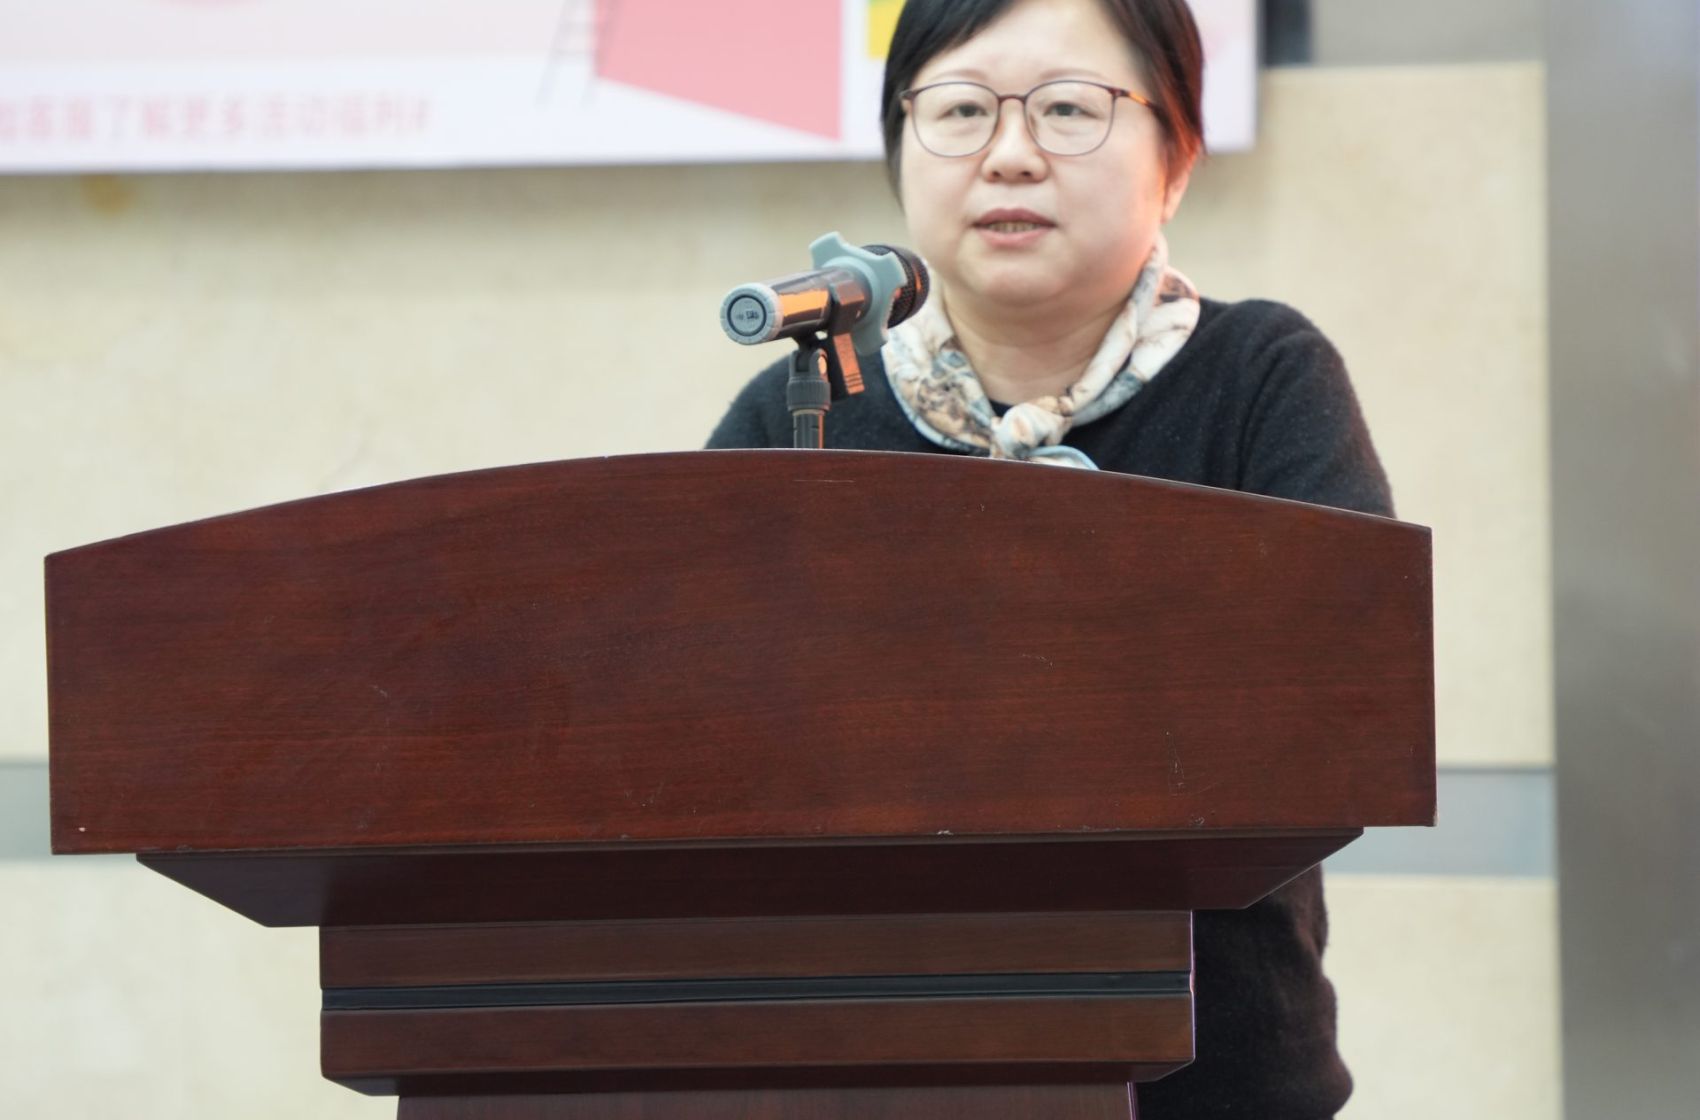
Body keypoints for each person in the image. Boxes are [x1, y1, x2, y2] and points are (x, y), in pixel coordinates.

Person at [707, 0, 1390, 1115]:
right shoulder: (807, 412)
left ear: (1176, 158)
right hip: (855, 1058)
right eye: (960, 111)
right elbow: (692, 735)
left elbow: (1342, 712)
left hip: (1210, 1072)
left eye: (1068, 109)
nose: (1010, 154)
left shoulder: (1260, 376)